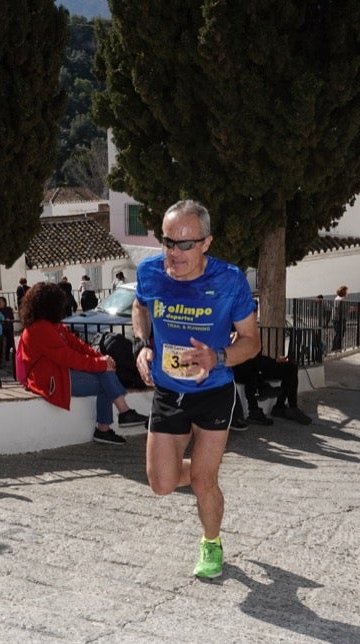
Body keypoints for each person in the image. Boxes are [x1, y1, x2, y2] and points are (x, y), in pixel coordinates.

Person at [132, 199, 260, 580]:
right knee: (161, 483)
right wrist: (143, 344)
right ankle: (203, 471)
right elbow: (140, 307)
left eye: (186, 244)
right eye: (168, 241)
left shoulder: (229, 280)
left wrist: (217, 357)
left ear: (206, 243)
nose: (175, 252)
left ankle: (211, 542)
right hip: (169, 392)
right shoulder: (150, 272)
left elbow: (251, 342)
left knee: (203, 480)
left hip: (213, 389)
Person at [17, 282, 146, 445]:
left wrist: (102, 358)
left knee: (106, 373)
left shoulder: (53, 326)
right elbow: (68, 357)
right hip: (50, 380)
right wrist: (101, 364)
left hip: (61, 373)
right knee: (106, 379)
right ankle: (111, 422)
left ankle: (116, 419)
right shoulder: (40, 329)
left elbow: (79, 346)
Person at [233, 352, 312, 425]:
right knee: (251, 370)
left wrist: (274, 361)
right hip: (240, 368)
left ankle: (283, 407)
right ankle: (254, 410)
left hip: (257, 365)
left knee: (290, 368)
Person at [0, 296, 16, 365]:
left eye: (1, 302)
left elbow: (12, 319)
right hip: (0, 329)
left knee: (9, 342)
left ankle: (9, 357)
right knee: (0, 343)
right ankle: (1, 359)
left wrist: (8, 320)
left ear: (4, 302)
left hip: (8, 328)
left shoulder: (9, 309)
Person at [331, 285, 348, 352]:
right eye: (346, 291)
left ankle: (336, 347)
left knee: (339, 333)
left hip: (337, 318)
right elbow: (341, 309)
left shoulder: (337, 298)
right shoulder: (341, 299)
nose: (347, 292)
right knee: (340, 333)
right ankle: (336, 347)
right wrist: (349, 309)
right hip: (339, 319)